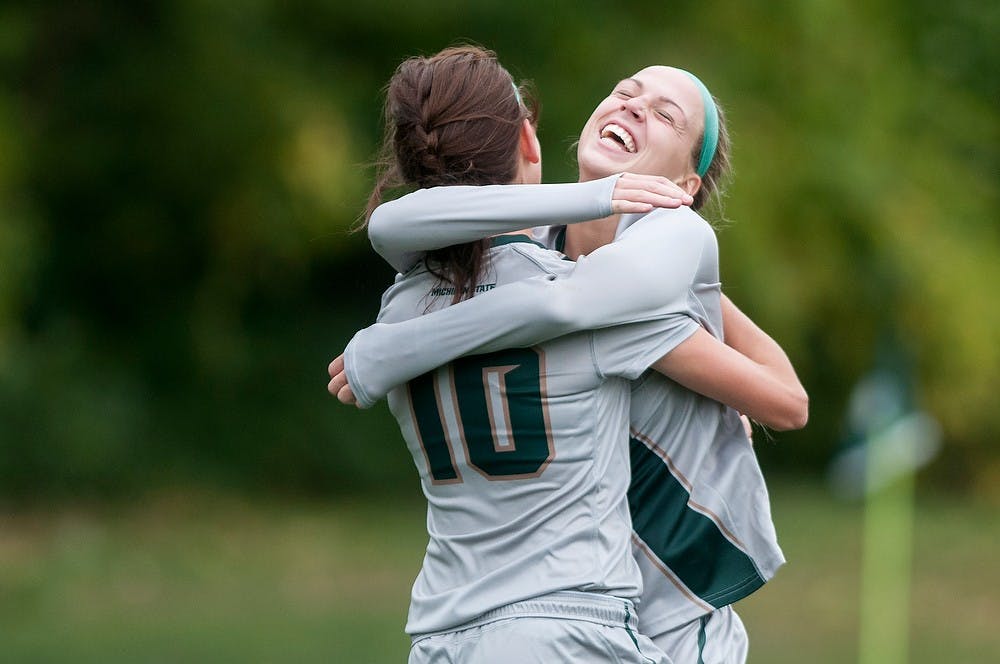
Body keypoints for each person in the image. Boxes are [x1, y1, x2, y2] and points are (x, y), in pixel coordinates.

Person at [330, 63, 808, 662]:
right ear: (533, 141)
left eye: (665, 114)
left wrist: (390, 346)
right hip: (581, 614)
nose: (635, 107)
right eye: (624, 92)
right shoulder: (540, 257)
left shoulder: (643, 276)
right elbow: (553, 294)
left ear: (686, 185)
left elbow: (788, 402)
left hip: (673, 602)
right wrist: (596, 200)